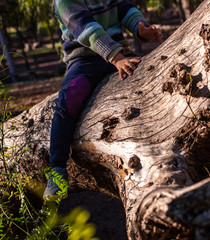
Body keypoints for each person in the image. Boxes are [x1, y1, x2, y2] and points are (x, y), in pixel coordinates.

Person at [43, 0, 163, 201]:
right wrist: (116, 58)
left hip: (119, 53)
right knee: (69, 99)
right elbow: (86, 29)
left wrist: (140, 28)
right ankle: (57, 170)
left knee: (149, 79)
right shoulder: (63, 2)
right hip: (84, 59)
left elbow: (124, 8)